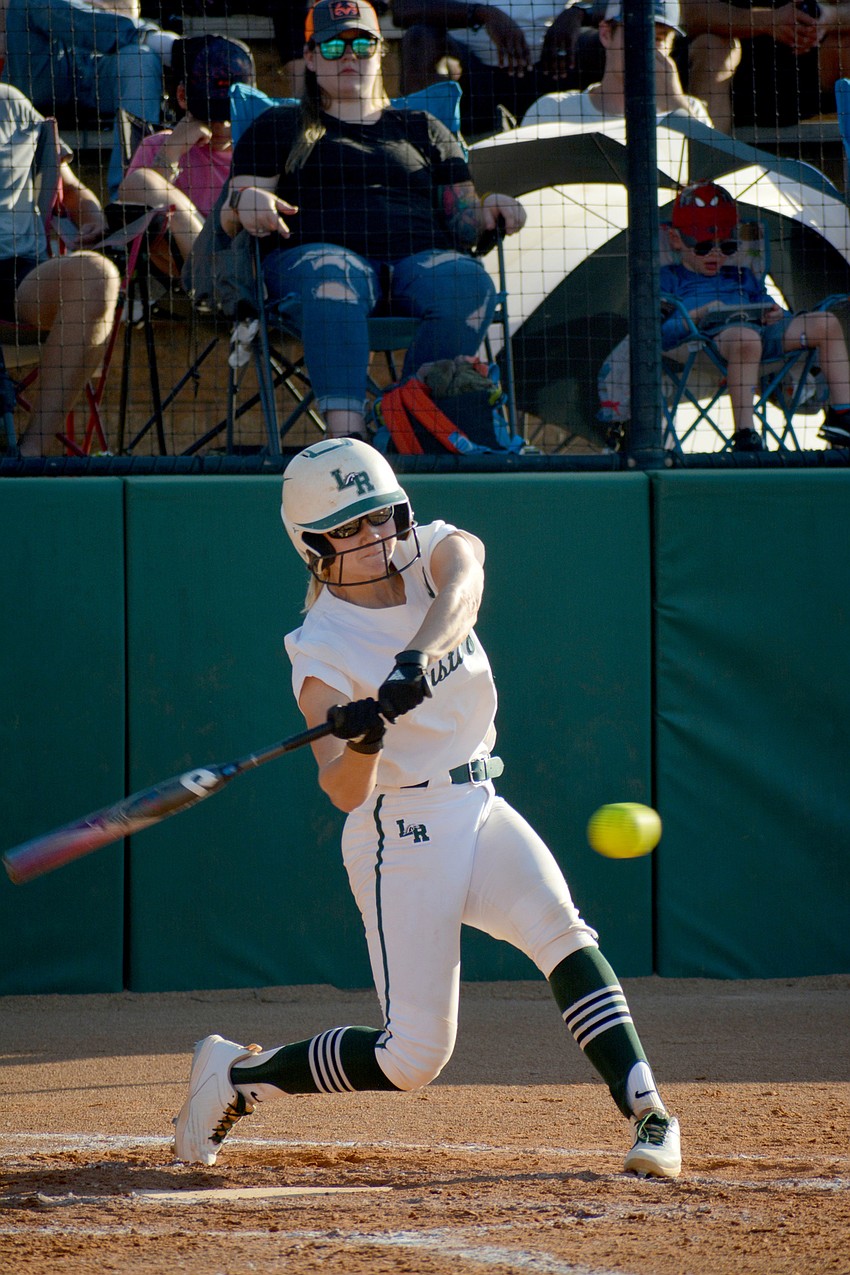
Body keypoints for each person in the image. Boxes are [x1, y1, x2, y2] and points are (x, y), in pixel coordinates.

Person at [173, 436, 683, 1181]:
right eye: (349, 528)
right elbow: (343, 789)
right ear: (313, 547)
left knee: (561, 930)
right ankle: (236, 1076)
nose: (376, 537)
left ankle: (649, 1110)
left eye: (382, 514)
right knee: (412, 1055)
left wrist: (413, 660)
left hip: (480, 800)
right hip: (400, 833)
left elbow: (465, 584)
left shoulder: (431, 549)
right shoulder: (318, 648)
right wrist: (369, 734)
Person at [221, 0, 526, 443]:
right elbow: (235, 211)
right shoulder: (278, 124)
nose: (349, 55)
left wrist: (490, 207)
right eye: (333, 47)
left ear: (380, 52)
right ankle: (349, 445)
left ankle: (411, 420)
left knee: (467, 282)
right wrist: (246, 201)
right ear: (309, 56)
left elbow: (464, 222)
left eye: (362, 44)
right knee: (334, 273)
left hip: (418, 260)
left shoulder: (424, 127)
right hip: (313, 263)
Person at [661, 181, 850, 451]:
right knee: (744, 337)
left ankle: (842, 415)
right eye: (703, 247)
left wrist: (776, 314)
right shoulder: (668, 278)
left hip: (762, 336)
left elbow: (767, 305)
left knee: (826, 323)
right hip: (703, 344)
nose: (716, 253)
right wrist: (700, 315)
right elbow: (658, 334)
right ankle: (745, 433)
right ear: (676, 239)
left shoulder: (742, 275)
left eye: (726, 247)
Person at [0, 83, 121, 456]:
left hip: (17, 275)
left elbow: (70, 189)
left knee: (96, 276)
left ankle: (31, 453)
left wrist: (92, 217)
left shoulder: (10, 102)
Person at [0, 0, 178, 196]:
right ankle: (158, 41)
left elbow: (129, 8)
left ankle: (131, 197)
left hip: (100, 63)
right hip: (38, 67)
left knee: (141, 57)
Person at [117, 35, 256, 278]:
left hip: (249, 264)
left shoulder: (261, 146)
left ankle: (225, 283)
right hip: (186, 273)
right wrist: (172, 151)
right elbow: (136, 213)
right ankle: (216, 283)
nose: (223, 125)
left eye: (231, 112)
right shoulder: (157, 146)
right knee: (143, 181)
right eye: (212, 112)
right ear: (182, 96)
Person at [393, 0, 606, 137]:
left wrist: (579, 13)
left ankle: (626, 137)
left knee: (619, 38)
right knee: (420, 38)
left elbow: (622, 6)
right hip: (472, 76)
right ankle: (424, 146)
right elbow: (402, 8)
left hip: (556, 65)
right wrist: (481, 14)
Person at [523, 0, 712, 125]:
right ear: (606, 34)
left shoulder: (690, 110)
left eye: (659, 38)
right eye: (637, 34)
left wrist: (675, 104)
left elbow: (711, 179)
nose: (646, 48)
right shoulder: (552, 111)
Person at [682, 0, 850, 134]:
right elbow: (693, 15)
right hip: (729, 72)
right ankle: (708, 167)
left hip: (806, 66)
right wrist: (769, 20)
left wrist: (829, 17)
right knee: (713, 47)